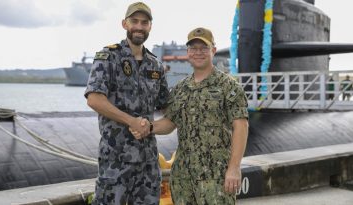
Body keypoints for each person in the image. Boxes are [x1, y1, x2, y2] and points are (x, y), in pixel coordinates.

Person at [131, 27, 249, 204]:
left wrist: (234, 168)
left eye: (204, 48)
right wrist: (148, 127)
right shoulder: (180, 89)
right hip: (183, 176)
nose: (198, 52)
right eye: (193, 48)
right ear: (188, 52)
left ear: (213, 51)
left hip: (215, 176)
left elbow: (241, 126)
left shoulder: (228, 87)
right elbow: (170, 123)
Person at [84, 2, 169, 204]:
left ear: (150, 26)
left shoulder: (155, 65)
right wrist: (131, 121)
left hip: (148, 162)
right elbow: (94, 99)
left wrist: (152, 126)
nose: (139, 26)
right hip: (116, 161)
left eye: (144, 22)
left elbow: (167, 106)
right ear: (124, 24)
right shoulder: (108, 57)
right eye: (134, 21)